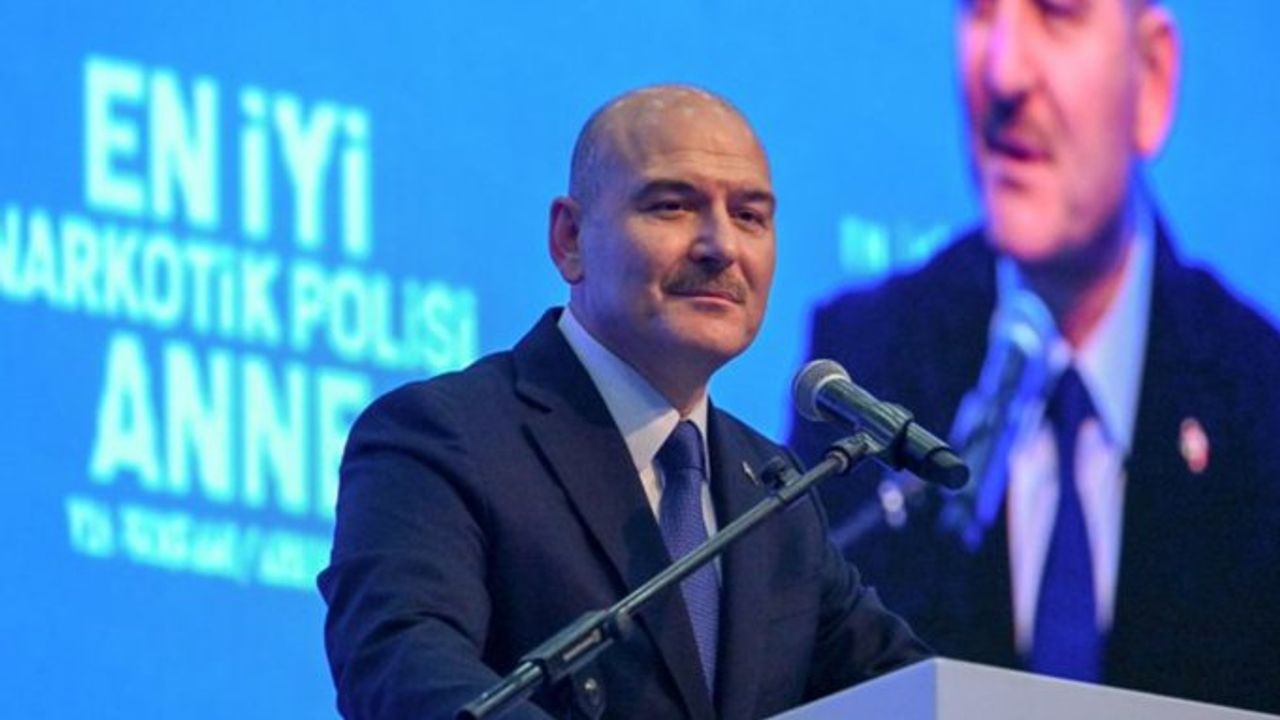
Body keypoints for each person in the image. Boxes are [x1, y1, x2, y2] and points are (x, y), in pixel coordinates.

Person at [319, 85, 928, 720]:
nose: (721, 246)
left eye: (749, 216)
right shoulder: (444, 437)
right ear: (570, 239)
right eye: (673, 206)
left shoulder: (775, 493)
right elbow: (404, 668)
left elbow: (911, 691)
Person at [790, 0, 1280, 713]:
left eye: (1056, 13)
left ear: (1150, 74)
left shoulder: (1261, 397)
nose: (1003, 72)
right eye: (980, 12)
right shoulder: (867, 362)